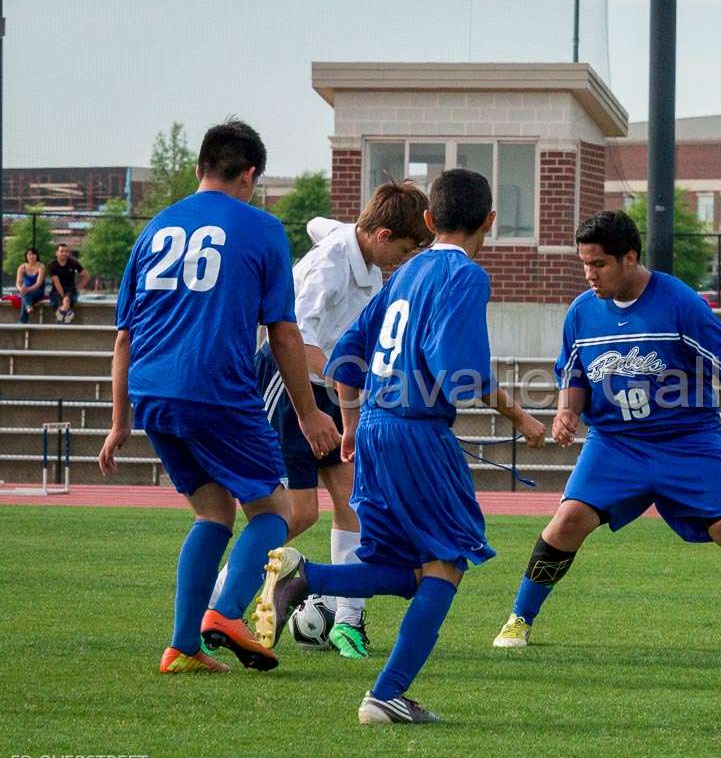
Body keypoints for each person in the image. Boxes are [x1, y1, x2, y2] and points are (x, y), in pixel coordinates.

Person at [254, 168, 546, 724]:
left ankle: (305, 576)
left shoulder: (403, 274)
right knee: (449, 561)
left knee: (406, 569)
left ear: (430, 221)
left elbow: (345, 360)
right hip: (416, 431)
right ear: (490, 222)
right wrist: (521, 416)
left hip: (377, 428)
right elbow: (459, 370)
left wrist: (352, 424)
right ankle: (386, 695)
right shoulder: (465, 276)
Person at [491, 209, 721, 657]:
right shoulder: (581, 312)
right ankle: (519, 618)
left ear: (629, 258)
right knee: (567, 520)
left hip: (688, 443)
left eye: (599, 264)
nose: (589, 275)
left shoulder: (680, 303)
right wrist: (565, 414)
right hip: (616, 445)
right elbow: (572, 375)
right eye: (584, 264)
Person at [98, 119, 340, 674]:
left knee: (212, 512)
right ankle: (225, 615)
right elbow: (283, 332)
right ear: (250, 174)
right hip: (216, 389)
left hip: (152, 390)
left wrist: (119, 422)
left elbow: (124, 337)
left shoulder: (155, 227)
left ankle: (183, 647)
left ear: (200, 167)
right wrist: (308, 416)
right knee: (275, 509)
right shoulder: (261, 229)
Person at [206, 182, 434, 660]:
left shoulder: (366, 252)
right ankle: (220, 597)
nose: (405, 259)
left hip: (329, 386)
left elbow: (324, 225)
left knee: (354, 499)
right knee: (299, 512)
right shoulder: (330, 266)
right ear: (383, 233)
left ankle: (347, 623)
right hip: (290, 381)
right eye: (406, 249)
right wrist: (337, 397)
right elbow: (293, 341)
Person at [47, 244, 89, 323]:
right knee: (63, 304)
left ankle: (62, 320)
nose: (64, 253)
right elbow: (57, 283)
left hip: (71, 290)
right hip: (56, 291)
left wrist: (78, 287)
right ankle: (66, 317)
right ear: (56, 253)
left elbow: (86, 276)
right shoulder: (52, 265)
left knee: (66, 300)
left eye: (66, 251)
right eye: (61, 251)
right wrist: (63, 296)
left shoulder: (73, 263)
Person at [16, 247, 47, 323]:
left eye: (33, 254)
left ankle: (22, 321)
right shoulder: (22, 267)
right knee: (25, 295)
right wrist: (21, 289)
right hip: (26, 291)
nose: (31, 256)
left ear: (37, 256)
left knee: (25, 295)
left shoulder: (41, 266)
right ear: (26, 256)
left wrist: (26, 290)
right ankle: (28, 307)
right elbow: (18, 283)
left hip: (38, 291)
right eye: (29, 254)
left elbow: (38, 283)